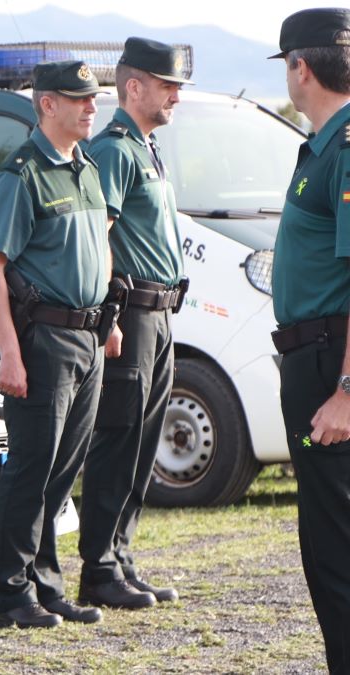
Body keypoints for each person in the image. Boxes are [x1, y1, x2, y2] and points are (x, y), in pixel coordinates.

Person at [0, 61, 110, 629]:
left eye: (93, 97)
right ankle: (13, 595)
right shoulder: (21, 175)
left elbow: (99, 242)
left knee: (63, 470)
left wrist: (107, 318)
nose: (91, 107)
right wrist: (9, 350)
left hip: (88, 334)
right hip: (44, 338)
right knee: (31, 468)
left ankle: (46, 586)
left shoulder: (86, 166)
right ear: (47, 104)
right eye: (79, 98)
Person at [77, 37, 190, 611]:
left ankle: (119, 557)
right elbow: (98, 236)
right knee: (119, 437)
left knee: (143, 443)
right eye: (167, 86)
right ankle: (98, 567)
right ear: (134, 86)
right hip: (133, 314)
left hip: (161, 313)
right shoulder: (115, 150)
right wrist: (110, 315)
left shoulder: (146, 147)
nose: (176, 97)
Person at [268, 8, 350, 672]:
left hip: (332, 364)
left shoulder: (345, 148)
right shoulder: (326, 144)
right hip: (314, 356)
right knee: (327, 544)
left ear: (301, 67)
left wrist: (346, 390)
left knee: (335, 550)